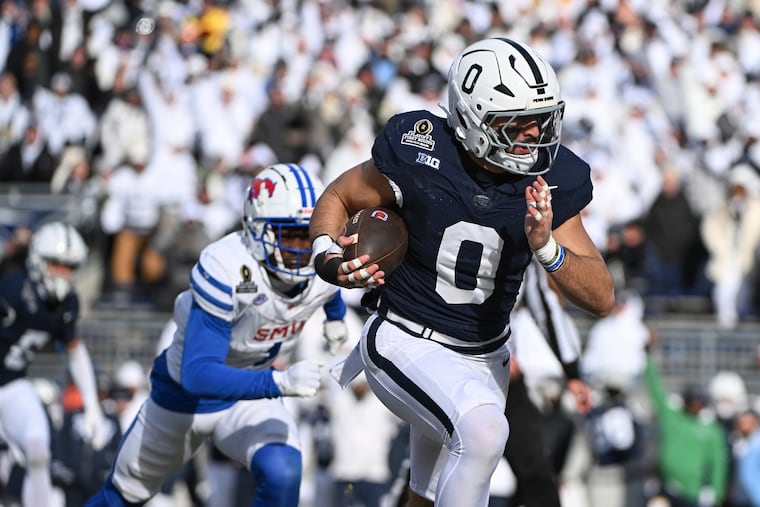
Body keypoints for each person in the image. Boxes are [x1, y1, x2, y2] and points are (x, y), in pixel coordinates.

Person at [309, 37, 614, 507]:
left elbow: (601, 296)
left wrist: (547, 247)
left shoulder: (550, 178)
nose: (535, 134)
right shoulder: (420, 150)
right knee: (485, 434)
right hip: (404, 338)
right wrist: (328, 257)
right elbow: (338, 197)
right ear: (473, 120)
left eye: (542, 119)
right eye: (518, 122)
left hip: (486, 358)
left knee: (425, 496)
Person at [85, 163, 349, 507]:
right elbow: (199, 374)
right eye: (291, 236)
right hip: (184, 398)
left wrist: (336, 319)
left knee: (284, 472)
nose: (303, 250)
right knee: (119, 498)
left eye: (310, 234)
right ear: (258, 230)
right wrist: (280, 384)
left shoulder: (320, 264)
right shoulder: (227, 267)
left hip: (247, 394)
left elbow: (329, 289)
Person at [0, 221, 109, 507]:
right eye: (57, 264)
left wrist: (92, 407)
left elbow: (75, 350)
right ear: (38, 260)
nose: (63, 273)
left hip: (11, 383)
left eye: (70, 267)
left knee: (39, 451)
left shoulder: (68, 303)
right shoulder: (12, 288)